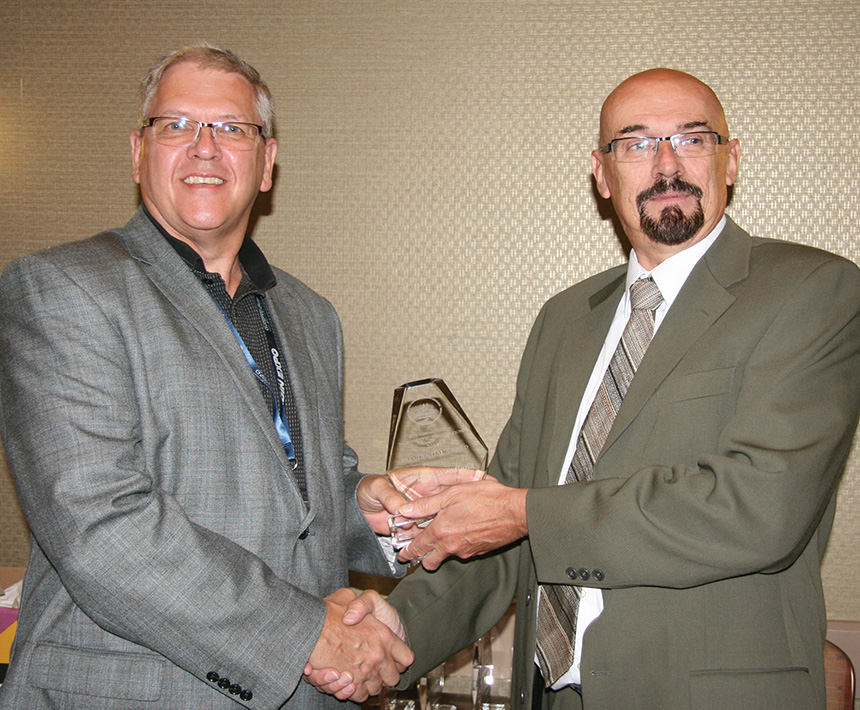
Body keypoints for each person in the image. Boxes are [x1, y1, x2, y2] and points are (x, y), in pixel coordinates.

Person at [321, 68, 860, 709]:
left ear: (731, 159)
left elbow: (758, 507)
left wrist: (523, 513)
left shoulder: (811, 292)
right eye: (636, 143)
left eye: (692, 139)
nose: (666, 164)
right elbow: (502, 529)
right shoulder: (565, 320)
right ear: (602, 175)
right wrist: (397, 628)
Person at [0, 44, 414, 709]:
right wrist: (308, 634)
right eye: (176, 124)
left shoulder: (311, 316)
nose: (203, 147)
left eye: (230, 127)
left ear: (267, 161)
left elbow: (301, 499)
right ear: (138, 151)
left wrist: (387, 510)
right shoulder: (62, 290)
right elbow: (102, 530)